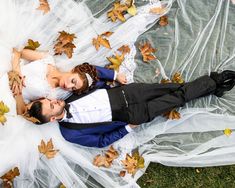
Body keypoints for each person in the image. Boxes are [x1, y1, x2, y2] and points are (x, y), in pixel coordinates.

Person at [28, 70, 235, 148]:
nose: (55, 102)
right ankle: (215, 81)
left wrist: (113, 76)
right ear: (53, 119)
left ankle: (211, 87)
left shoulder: (70, 94)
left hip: (127, 93)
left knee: (172, 87)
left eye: (50, 101)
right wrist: (128, 128)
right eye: (52, 107)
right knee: (176, 98)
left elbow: (90, 75)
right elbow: (101, 141)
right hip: (131, 116)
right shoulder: (70, 133)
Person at [9, 48, 127, 115]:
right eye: (73, 81)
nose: (68, 86)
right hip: (6, 70)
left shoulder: (54, 96)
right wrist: (16, 73)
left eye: (73, 88)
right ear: (73, 70)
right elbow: (18, 52)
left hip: (8, 98)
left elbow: (24, 111)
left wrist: (18, 93)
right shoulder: (47, 59)